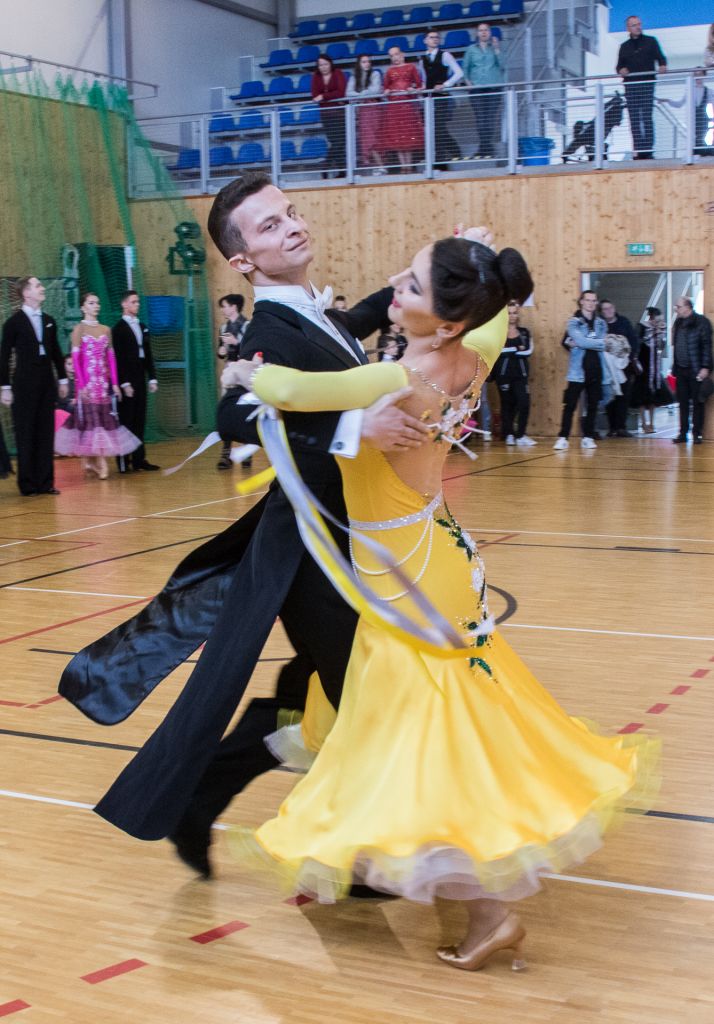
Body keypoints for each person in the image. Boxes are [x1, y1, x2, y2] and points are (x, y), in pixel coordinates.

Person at [226, 235, 655, 971]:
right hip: (439, 554)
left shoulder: (404, 376)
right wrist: (481, 269)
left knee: (427, 741)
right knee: (431, 730)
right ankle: (422, 876)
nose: (396, 284)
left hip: (406, 579)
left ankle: (487, 910)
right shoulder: (474, 352)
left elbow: (291, 392)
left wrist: (243, 370)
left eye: (413, 285)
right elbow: (496, 315)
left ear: (447, 320)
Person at [58, 172, 430, 877]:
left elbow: (339, 337)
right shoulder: (266, 332)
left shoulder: (311, 314)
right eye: (269, 226)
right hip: (311, 554)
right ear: (243, 260)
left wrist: (397, 292)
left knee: (312, 690)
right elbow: (233, 416)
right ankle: (360, 866)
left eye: (290, 212)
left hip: (346, 536)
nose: (291, 226)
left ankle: (203, 796)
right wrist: (354, 428)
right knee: (362, 698)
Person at [54, 293, 140, 479]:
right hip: (87, 385)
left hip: (103, 384)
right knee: (91, 423)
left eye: (97, 303)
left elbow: (111, 358)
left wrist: (115, 383)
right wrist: (82, 384)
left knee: (101, 423)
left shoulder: (106, 329)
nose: (96, 306)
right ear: (83, 307)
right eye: (91, 303)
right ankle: (99, 463)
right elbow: (76, 360)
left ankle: (90, 461)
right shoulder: (79, 329)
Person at [0, 276, 68, 496]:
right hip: (24, 384)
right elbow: (4, 356)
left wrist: (63, 379)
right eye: (37, 285)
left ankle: (46, 482)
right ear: (26, 293)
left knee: (45, 432)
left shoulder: (49, 320)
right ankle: (27, 484)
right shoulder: (13, 323)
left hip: (46, 383)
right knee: (26, 432)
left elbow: (56, 352)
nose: (42, 288)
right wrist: (5, 387)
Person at [112, 290, 159, 473]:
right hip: (127, 379)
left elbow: (148, 354)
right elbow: (118, 359)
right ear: (124, 304)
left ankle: (139, 459)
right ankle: (123, 461)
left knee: (140, 419)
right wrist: (124, 383)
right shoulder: (118, 329)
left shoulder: (142, 326)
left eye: (138, 301)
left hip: (140, 376)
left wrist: (152, 377)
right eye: (133, 301)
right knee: (126, 420)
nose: (137, 304)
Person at [553, 290, 607, 450]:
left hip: (596, 369)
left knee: (593, 406)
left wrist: (585, 342)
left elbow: (601, 344)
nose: (591, 303)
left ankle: (588, 437)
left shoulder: (601, 323)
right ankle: (563, 437)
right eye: (588, 300)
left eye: (594, 300)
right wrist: (594, 342)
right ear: (581, 302)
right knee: (570, 405)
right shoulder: (574, 322)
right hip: (577, 372)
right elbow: (582, 341)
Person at [616, 15, 667, 160]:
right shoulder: (624, 46)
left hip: (646, 84)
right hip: (631, 86)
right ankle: (639, 150)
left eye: (639, 24)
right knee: (634, 119)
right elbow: (619, 66)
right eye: (634, 25)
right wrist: (621, 70)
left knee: (646, 117)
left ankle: (647, 150)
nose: (638, 27)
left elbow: (661, 58)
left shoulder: (651, 41)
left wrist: (662, 65)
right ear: (628, 28)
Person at [493, 299, 536, 445]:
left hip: (520, 374)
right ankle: (509, 434)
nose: (512, 316)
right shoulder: (498, 332)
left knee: (523, 402)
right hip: (503, 374)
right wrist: (517, 349)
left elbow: (528, 351)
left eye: (514, 313)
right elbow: (498, 351)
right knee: (507, 404)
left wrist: (509, 351)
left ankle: (521, 435)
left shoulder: (524, 332)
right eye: (509, 313)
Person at [671, 297, 713, 445]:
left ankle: (697, 433)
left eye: (678, 306)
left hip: (696, 369)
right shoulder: (678, 322)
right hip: (681, 369)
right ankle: (683, 433)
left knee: (697, 402)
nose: (676, 309)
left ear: (688, 307)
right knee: (682, 402)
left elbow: (707, 346)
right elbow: (676, 345)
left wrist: (705, 367)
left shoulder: (701, 322)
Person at [216, 293, 250, 471]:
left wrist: (236, 342)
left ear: (234, 306)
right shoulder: (223, 327)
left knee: (245, 409)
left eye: (225, 305)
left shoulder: (247, 325)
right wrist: (221, 350)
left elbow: (250, 349)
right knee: (227, 410)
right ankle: (226, 454)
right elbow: (221, 352)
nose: (223, 309)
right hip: (229, 371)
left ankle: (247, 452)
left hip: (243, 369)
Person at [420, 29, 463, 169]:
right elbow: (424, 78)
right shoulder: (422, 59)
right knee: (436, 129)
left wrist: (445, 85)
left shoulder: (445, 55)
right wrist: (422, 88)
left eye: (436, 37)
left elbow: (459, 73)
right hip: (428, 98)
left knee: (438, 128)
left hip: (442, 97)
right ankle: (454, 151)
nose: (434, 39)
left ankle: (441, 161)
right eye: (431, 37)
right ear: (425, 40)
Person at [463, 24, 505, 159]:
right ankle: (486, 148)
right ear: (477, 33)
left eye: (486, 30)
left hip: (494, 88)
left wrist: (497, 49)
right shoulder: (471, 49)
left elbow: (502, 66)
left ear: (490, 32)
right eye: (481, 30)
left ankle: (485, 149)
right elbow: (465, 68)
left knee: (490, 119)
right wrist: (468, 82)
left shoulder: (495, 49)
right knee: (480, 119)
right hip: (477, 89)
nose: (483, 32)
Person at [599, 299, 639, 437]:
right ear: (601, 312)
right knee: (610, 396)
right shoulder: (600, 325)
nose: (608, 311)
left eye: (610, 307)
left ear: (614, 308)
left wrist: (629, 357)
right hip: (607, 367)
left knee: (624, 396)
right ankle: (612, 428)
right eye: (605, 309)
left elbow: (633, 341)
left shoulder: (624, 322)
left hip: (624, 366)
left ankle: (621, 427)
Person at [382, 46, 424, 172]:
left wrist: (413, 89)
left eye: (396, 54)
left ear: (402, 54)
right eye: (391, 56)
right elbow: (385, 87)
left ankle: (409, 166)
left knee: (407, 135)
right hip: (394, 107)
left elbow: (420, 85)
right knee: (397, 135)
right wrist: (387, 91)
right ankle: (403, 166)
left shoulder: (411, 67)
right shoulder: (389, 71)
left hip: (407, 105)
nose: (394, 57)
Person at [346, 55, 385, 174]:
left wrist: (362, 94)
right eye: (363, 62)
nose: (367, 64)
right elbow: (348, 93)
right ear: (359, 64)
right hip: (363, 110)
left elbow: (376, 90)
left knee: (376, 138)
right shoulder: (354, 77)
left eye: (368, 62)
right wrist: (362, 95)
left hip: (374, 109)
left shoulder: (375, 74)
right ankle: (379, 167)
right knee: (368, 139)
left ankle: (381, 166)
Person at [631, 306, 667, 433]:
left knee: (653, 396)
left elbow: (661, 346)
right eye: (656, 319)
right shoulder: (641, 326)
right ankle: (643, 423)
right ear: (651, 317)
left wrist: (661, 334)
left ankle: (652, 423)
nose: (658, 322)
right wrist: (651, 334)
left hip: (654, 365)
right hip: (643, 364)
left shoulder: (660, 329)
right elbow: (636, 342)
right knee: (641, 395)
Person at [311, 54, 347, 176]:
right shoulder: (316, 77)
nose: (323, 67)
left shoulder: (338, 73)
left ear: (330, 64)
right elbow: (314, 95)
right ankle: (342, 171)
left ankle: (327, 165)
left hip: (339, 113)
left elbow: (341, 92)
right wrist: (329, 96)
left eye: (325, 64)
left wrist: (323, 96)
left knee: (340, 142)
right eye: (320, 65)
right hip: (326, 115)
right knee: (335, 142)